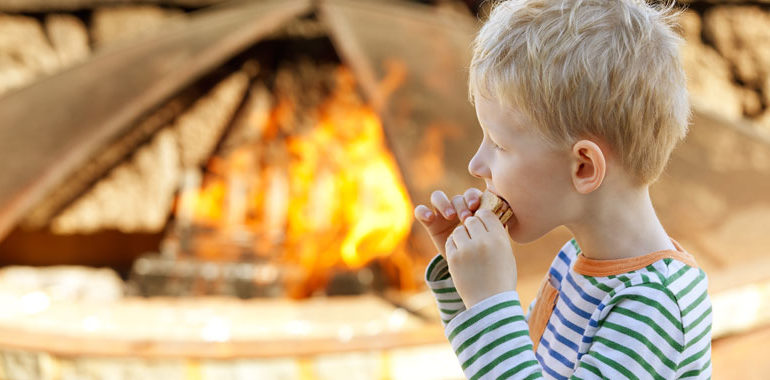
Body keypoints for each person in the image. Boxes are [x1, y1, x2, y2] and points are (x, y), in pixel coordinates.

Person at [413, 0, 712, 378]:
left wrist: (491, 300)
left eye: (500, 145)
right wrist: (465, 283)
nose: (476, 165)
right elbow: (514, 365)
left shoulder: (653, 306)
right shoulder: (575, 259)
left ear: (584, 166)